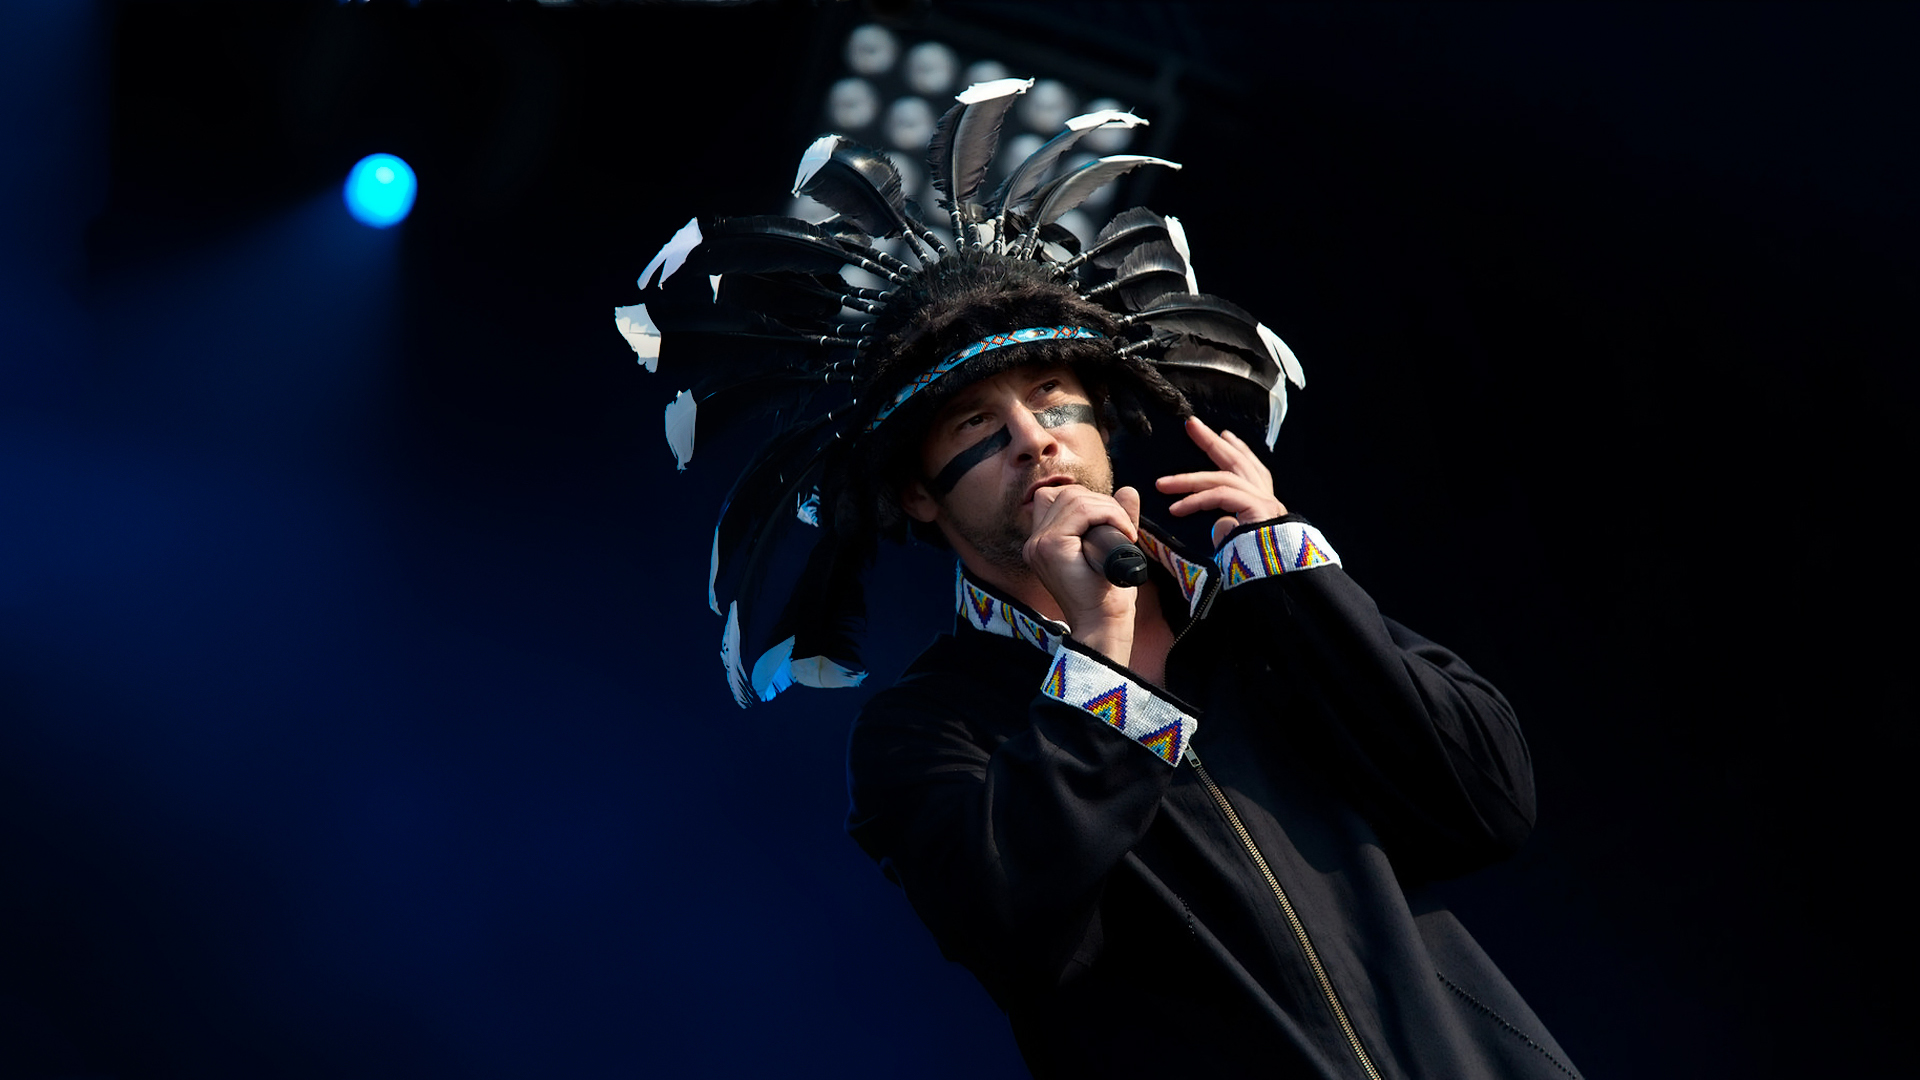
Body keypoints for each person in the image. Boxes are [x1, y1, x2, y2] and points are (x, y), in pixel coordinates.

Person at [616, 79, 1578, 1079]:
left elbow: (1487, 801)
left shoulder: (1264, 615)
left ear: (1102, 423)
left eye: (1051, 397)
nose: (1033, 440)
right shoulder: (930, 728)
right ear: (918, 495)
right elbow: (1015, 928)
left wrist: (1298, 568)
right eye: (976, 425)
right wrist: (1099, 658)